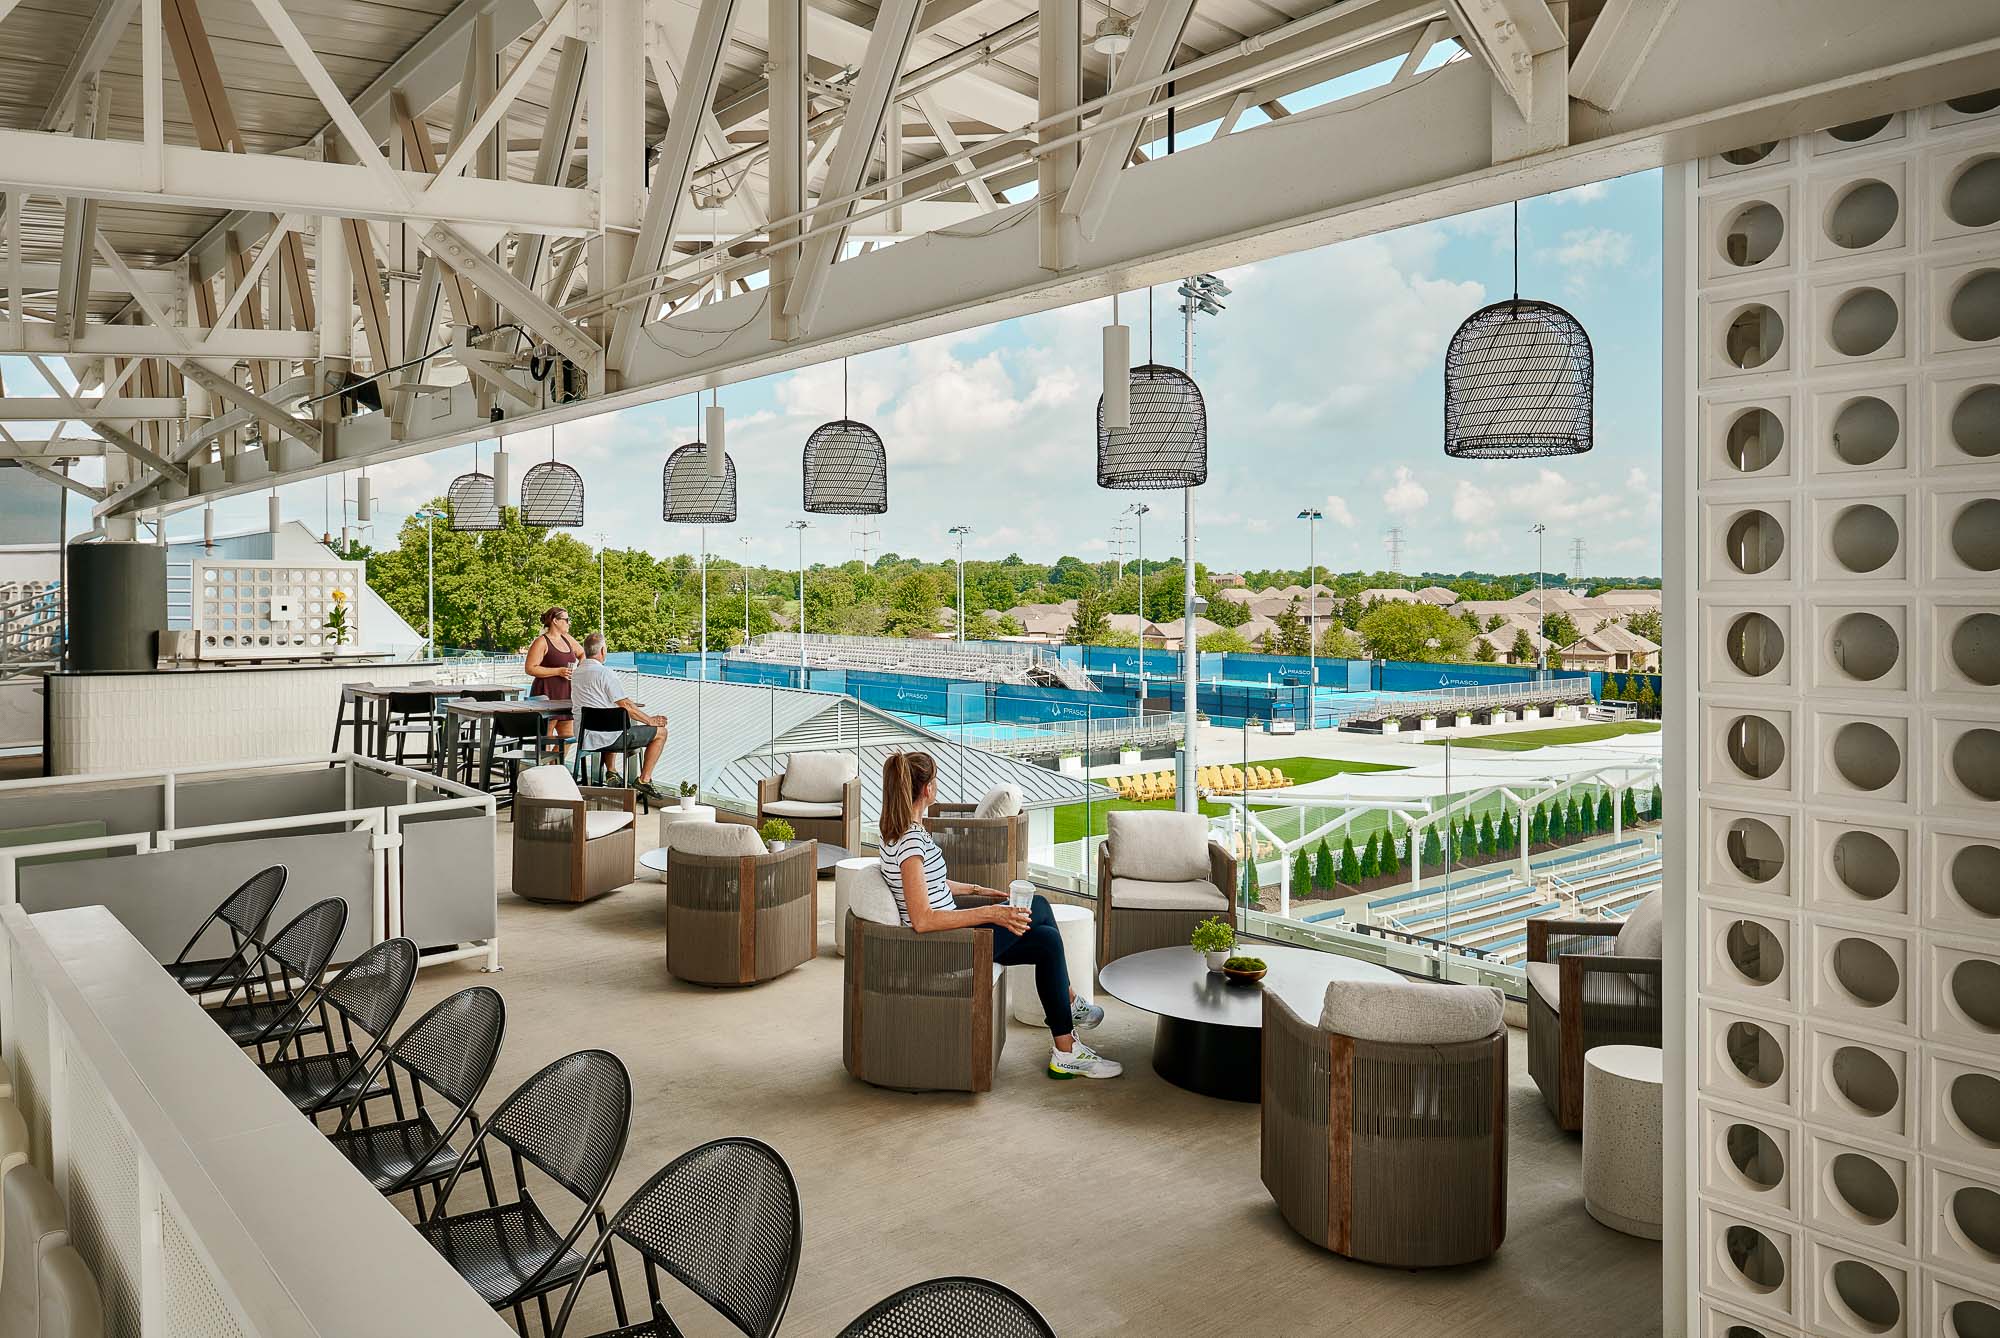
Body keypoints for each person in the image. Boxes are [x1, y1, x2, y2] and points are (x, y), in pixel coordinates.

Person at [878, 750, 1120, 1080]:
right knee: (1040, 917)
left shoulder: (901, 833)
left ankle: (1067, 1044)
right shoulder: (909, 843)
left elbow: (929, 884)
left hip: (952, 938)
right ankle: (1070, 1014)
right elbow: (923, 919)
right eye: (934, 781)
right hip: (946, 948)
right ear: (927, 790)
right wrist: (991, 913)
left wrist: (977, 890)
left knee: (1045, 931)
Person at [570, 633, 669, 798]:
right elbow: (626, 706)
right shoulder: (605, 673)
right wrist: (650, 720)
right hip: (610, 738)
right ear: (603, 650)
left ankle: (611, 771)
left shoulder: (576, 674)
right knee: (661, 733)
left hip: (584, 736)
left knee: (609, 721)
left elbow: (613, 702)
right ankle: (644, 780)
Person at [524, 607, 583, 744]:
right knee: (546, 737)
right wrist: (558, 671)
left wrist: (580, 670)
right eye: (567, 620)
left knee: (568, 736)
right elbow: (530, 668)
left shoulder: (568, 639)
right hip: (546, 693)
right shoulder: (541, 641)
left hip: (565, 693)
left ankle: (555, 763)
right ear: (555, 621)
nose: (569, 623)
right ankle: (546, 764)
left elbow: (582, 654)